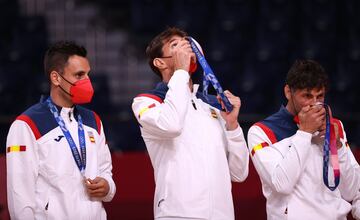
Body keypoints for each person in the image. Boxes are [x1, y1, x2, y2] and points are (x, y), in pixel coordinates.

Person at [131, 27, 249, 220]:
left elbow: (239, 173)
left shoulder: (212, 105)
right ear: (160, 62)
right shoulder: (146, 102)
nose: (186, 48)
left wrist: (233, 126)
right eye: (175, 45)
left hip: (222, 214)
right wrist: (180, 72)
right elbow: (172, 125)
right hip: (177, 214)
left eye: (187, 43)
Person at [6, 41, 116, 219]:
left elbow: (106, 171)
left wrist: (107, 186)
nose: (87, 82)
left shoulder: (93, 120)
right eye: (79, 75)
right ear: (56, 78)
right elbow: (19, 195)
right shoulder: (27, 124)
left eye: (88, 74)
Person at [247, 59, 360, 220]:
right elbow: (281, 185)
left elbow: (351, 190)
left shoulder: (336, 126)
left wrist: (338, 146)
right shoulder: (262, 131)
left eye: (319, 96)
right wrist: (305, 133)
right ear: (288, 92)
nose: (314, 104)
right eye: (307, 96)